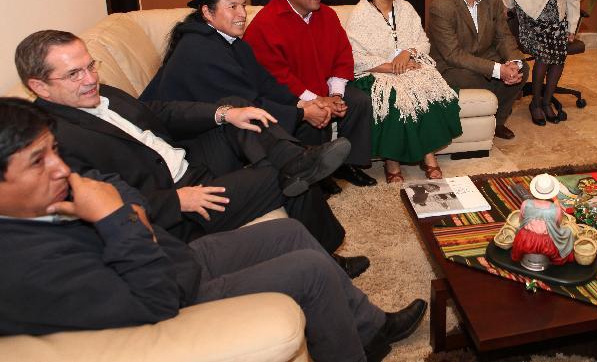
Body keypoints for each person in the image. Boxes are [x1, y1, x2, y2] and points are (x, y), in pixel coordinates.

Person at [0, 98, 426, 362]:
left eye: (53, 152)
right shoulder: (20, 264)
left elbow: (114, 185)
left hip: (173, 257)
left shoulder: (43, 195)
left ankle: (370, 330)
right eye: (38, 162)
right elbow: (154, 297)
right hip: (175, 289)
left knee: (290, 235)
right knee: (309, 270)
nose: (61, 168)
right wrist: (120, 221)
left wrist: (124, 213)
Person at [15, 30, 360, 266]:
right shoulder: (52, 142)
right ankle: (327, 251)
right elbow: (97, 199)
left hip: (187, 159)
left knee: (237, 108)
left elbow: (159, 111)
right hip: (181, 198)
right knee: (279, 177)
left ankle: (295, 157)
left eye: (91, 66)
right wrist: (175, 201)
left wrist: (224, 114)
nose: (90, 78)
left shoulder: (101, 94)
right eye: (74, 74)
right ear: (39, 86)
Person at [244, 0, 377, 193]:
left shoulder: (326, 15)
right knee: (312, 115)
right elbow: (276, 76)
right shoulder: (266, 23)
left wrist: (336, 94)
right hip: (289, 96)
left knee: (358, 101)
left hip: (324, 87)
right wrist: (316, 100)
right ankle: (317, 172)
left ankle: (348, 164)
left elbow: (342, 54)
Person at [141, 0, 332, 136]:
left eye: (243, 5)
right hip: (179, 139)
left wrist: (302, 103)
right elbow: (245, 102)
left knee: (303, 123)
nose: (242, 13)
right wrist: (303, 113)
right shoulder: (198, 47)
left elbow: (266, 84)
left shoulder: (234, 43)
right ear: (207, 12)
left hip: (213, 126)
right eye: (232, 6)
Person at [344, 0, 462, 183]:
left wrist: (408, 53)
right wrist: (392, 67)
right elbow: (357, 57)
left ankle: (428, 156)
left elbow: (423, 41)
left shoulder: (406, 7)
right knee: (395, 97)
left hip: (409, 68)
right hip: (374, 74)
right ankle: (392, 161)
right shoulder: (360, 15)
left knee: (426, 88)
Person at [428, 0, 528, 140]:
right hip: (453, 67)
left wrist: (513, 61)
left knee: (522, 68)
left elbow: (503, 36)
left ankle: (498, 122)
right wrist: (498, 70)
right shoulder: (441, 6)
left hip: (485, 56)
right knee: (473, 78)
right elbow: (453, 54)